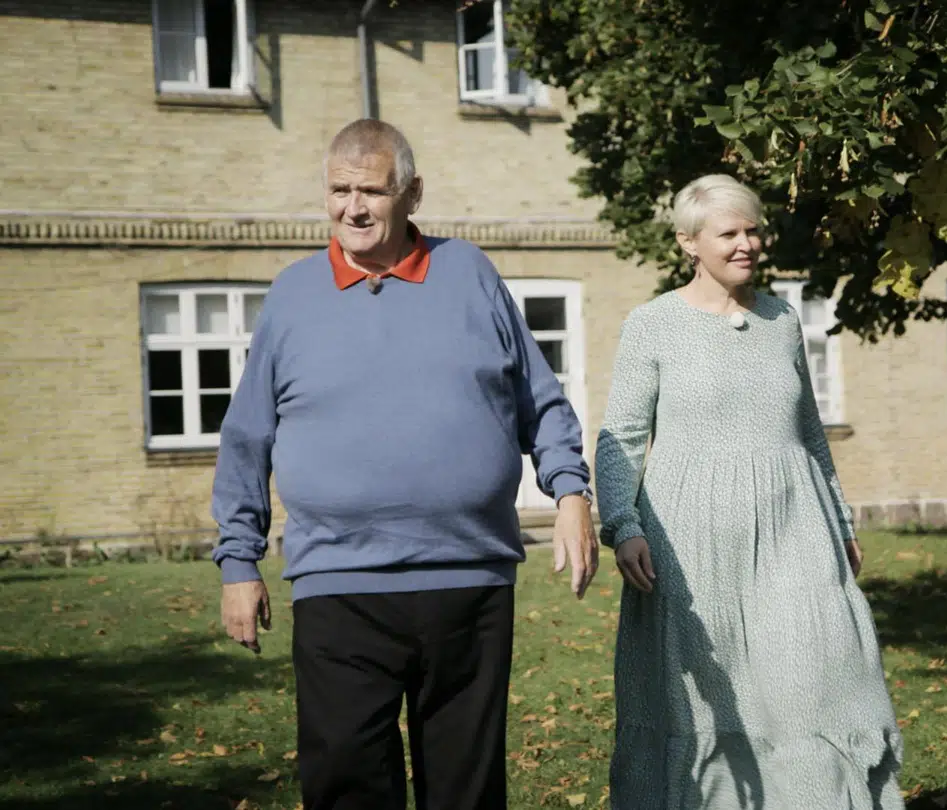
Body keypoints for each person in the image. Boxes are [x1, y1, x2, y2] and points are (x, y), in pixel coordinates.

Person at [210, 118, 599, 810]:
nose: (352, 208)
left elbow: (540, 400)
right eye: (338, 190)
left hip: (468, 582)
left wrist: (570, 494)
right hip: (338, 583)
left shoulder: (469, 273)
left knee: (466, 792)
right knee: (346, 785)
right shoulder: (292, 296)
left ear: (412, 193)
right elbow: (246, 437)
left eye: (371, 191)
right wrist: (239, 563)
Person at [594, 174, 904, 809]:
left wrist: (840, 521)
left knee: (820, 678)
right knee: (709, 701)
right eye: (729, 233)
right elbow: (620, 435)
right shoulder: (653, 324)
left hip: (795, 526)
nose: (747, 244)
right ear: (689, 242)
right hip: (687, 539)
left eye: (754, 229)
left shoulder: (782, 320)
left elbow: (810, 430)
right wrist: (622, 525)